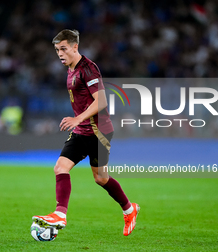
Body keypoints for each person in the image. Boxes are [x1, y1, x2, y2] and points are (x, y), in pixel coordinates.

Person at [32, 29, 140, 236]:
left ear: (75, 47)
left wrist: (77, 118)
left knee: (100, 178)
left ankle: (129, 209)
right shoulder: (70, 69)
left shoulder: (88, 69)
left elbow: (102, 101)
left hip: (99, 132)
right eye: (57, 50)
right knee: (60, 167)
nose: (60, 54)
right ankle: (60, 214)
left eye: (63, 49)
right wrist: (79, 121)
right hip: (82, 130)